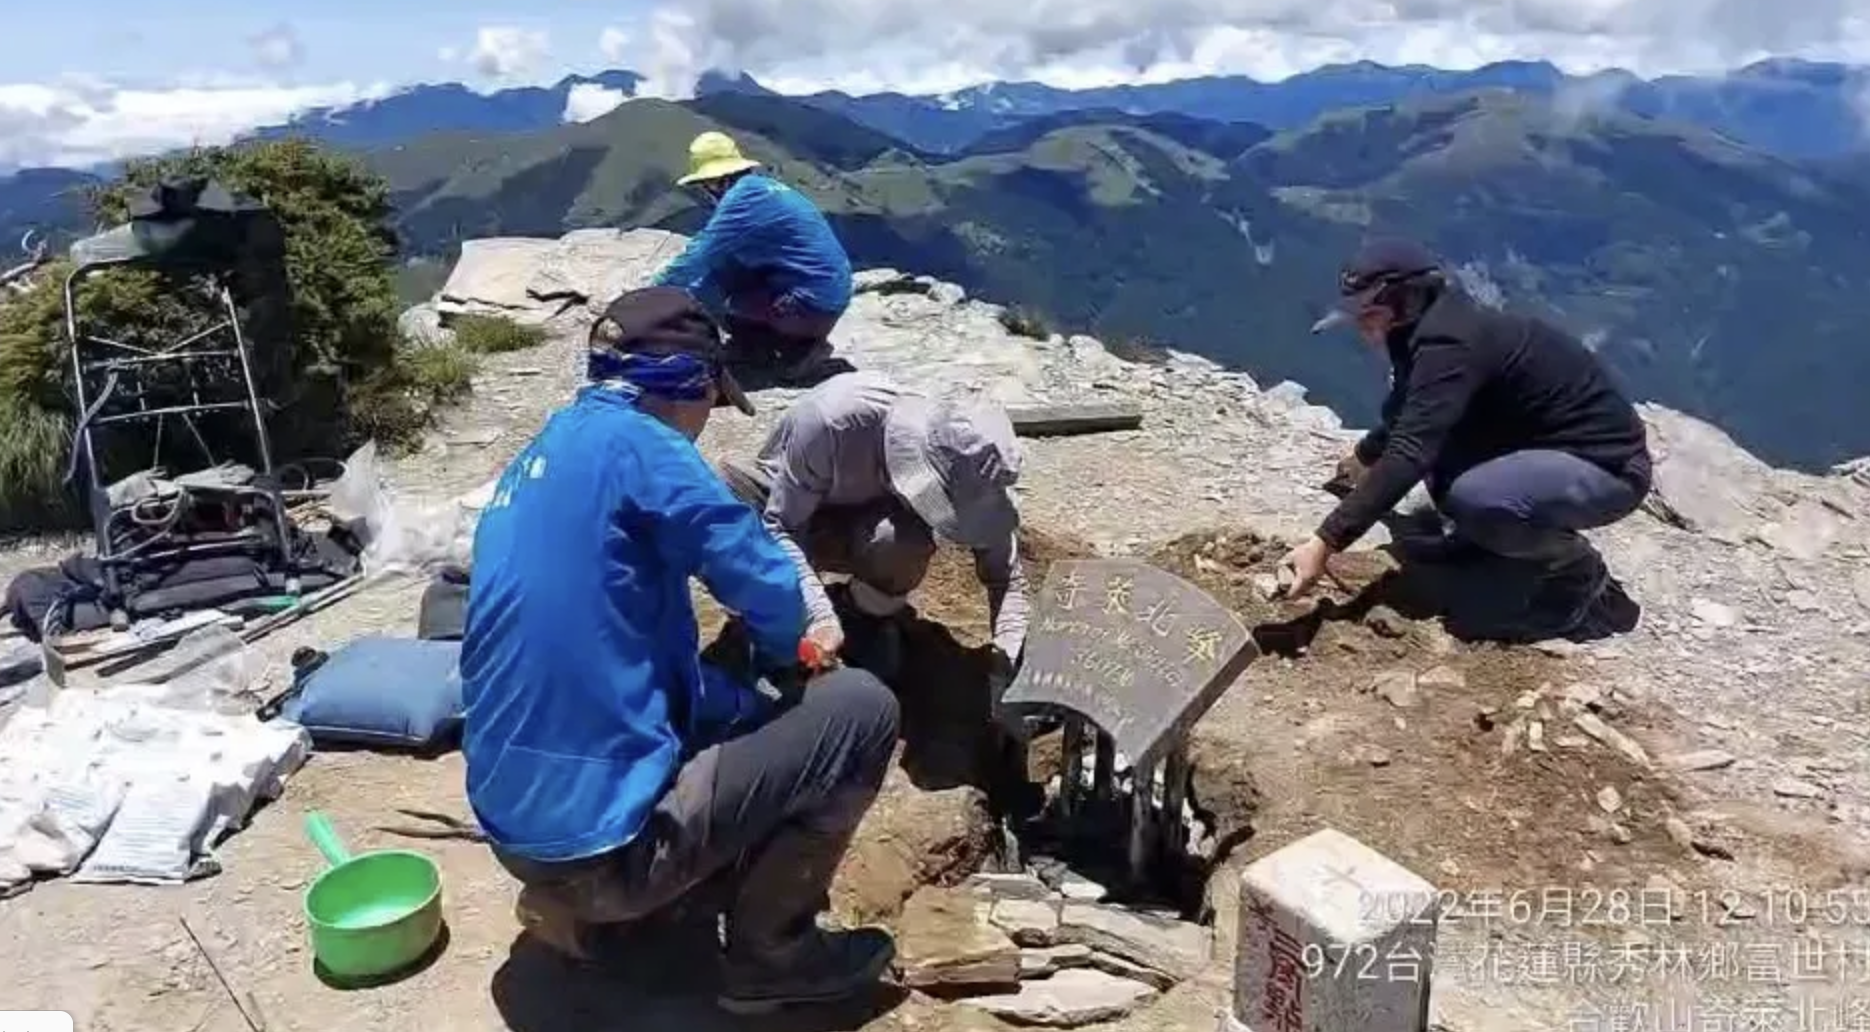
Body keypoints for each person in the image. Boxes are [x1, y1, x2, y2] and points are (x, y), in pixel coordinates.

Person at [460, 286, 900, 1015]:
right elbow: (760, 575)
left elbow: (630, 655)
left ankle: (614, 917)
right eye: (712, 401)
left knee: (729, 702)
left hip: (515, 830)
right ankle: (771, 956)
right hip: (598, 846)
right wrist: (796, 653)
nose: (705, 423)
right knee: (861, 710)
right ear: (688, 383)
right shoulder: (646, 448)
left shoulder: (543, 456)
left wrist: (745, 702)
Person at [1281, 237, 1653, 641]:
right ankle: (1482, 541)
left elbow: (1410, 450)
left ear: (1406, 299)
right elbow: (1414, 415)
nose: (1361, 323)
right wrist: (1366, 456)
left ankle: (1574, 571)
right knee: (1448, 465)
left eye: (1370, 311)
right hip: (1539, 447)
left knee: (1475, 497)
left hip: (1606, 469)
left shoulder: (1450, 344)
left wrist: (1325, 542)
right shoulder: (1422, 327)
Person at [718, 370, 1029, 696]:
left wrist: (1004, 667)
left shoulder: (980, 473)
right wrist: (821, 619)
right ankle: (765, 624)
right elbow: (781, 526)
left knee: (902, 544)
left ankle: (862, 616)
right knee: (724, 499)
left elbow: (1006, 578)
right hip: (786, 506)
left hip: (862, 527)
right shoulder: (834, 422)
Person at [653, 131, 854, 381]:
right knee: (725, 274)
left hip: (809, 306)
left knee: (712, 290)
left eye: (703, 184)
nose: (705, 191)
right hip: (823, 296)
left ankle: (796, 351)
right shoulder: (761, 188)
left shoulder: (742, 201)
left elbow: (699, 257)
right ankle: (768, 345)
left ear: (716, 181)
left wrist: (651, 297)